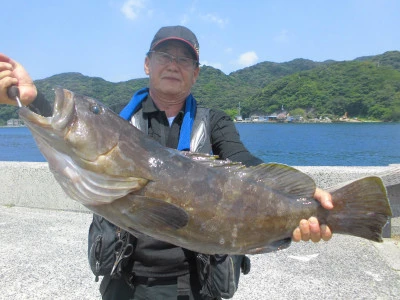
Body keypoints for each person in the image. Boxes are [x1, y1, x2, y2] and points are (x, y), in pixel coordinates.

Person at [0, 25, 333, 300]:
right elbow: (75, 133)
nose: (174, 64)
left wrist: (301, 201)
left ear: (196, 72)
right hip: (126, 280)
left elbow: (243, 162)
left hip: (197, 283)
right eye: (164, 56)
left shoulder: (214, 122)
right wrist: (32, 99)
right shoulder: (118, 116)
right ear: (147, 64)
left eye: (185, 59)